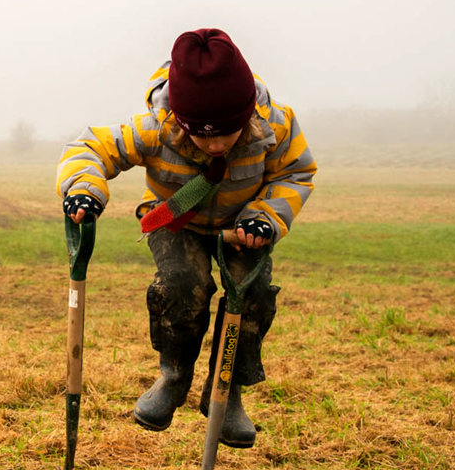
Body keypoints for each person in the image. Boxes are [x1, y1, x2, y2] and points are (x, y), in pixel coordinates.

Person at [56, 28, 316, 448]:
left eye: (225, 134)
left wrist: (265, 217)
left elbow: (296, 172)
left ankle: (225, 391)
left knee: (252, 296)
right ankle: (173, 376)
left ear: (246, 115)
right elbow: (89, 148)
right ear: (180, 120)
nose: (214, 145)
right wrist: (84, 188)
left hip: (243, 229)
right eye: (202, 134)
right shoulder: (156, 128)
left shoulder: (275, 126)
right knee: (181, 286)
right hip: (175, 220)